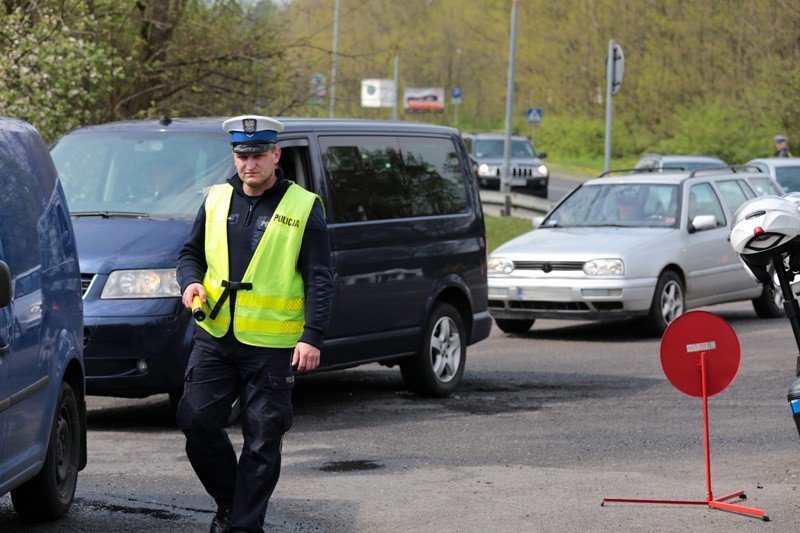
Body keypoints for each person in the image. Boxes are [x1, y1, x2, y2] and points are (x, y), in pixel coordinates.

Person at [175, 115, 333, 533]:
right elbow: (189, 254)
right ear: (234, 156)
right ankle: (231, 504)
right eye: (242, 155)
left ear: (275, 155)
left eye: (259, 155)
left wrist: (312, 335)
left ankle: (243, 527)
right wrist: (190, 283)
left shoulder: (303, 207)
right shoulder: (214, 199)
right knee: (196, 421)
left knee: (263, 438)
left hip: (272, 346)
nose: (249, 164)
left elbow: (320, 276)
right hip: (215, 335)